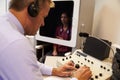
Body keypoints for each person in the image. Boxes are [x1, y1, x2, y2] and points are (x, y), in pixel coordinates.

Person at [0, 0, 92, 80]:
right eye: (43, 17)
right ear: (32, 10)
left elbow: (27, 64)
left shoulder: (4, 24)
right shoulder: (17, 44)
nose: (43, 23)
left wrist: (54, 71)